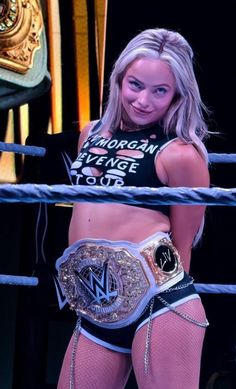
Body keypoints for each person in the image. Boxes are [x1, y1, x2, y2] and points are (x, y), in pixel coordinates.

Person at [56, 27, 210, 389]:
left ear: (176, 96)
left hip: (160, 301)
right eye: (135, 85)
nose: (143, 100)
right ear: (119, 80)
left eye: (160, 91)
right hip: (97, 303)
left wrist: (163, 304)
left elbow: (183, 245)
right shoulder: (91, 133)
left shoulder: (181, 154)